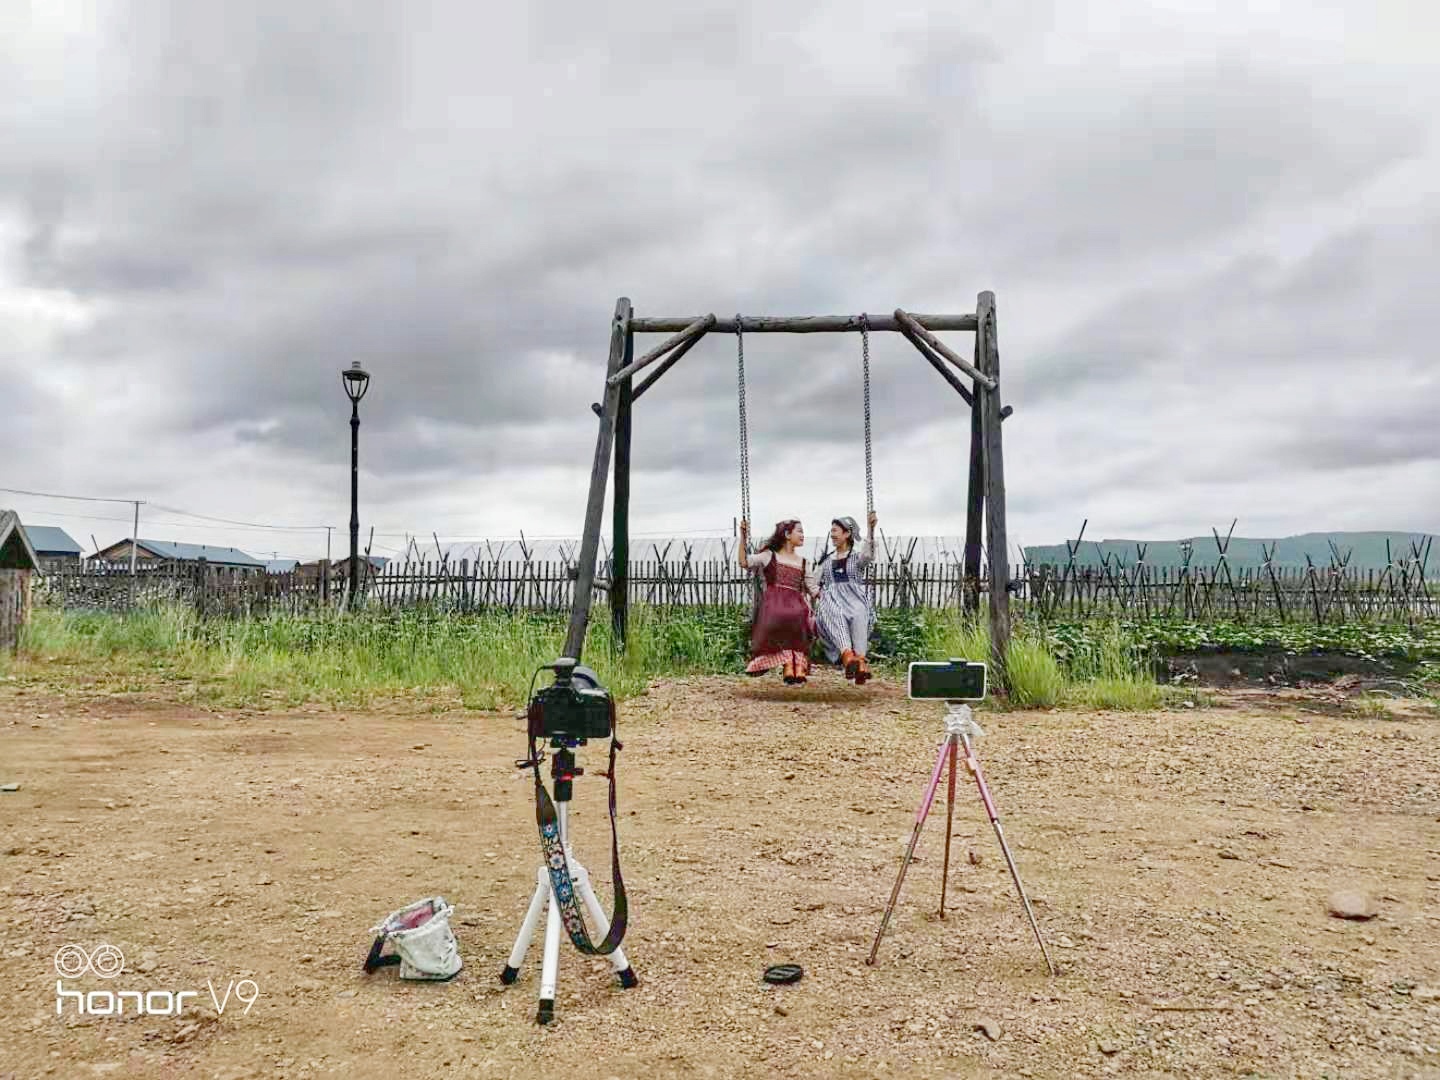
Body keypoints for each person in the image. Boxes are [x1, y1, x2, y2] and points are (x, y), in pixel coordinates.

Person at [737, 518, 819, 685]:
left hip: (794, 605)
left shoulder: (803, 562)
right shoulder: (769, 556)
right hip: (775, 605)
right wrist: (743, 537)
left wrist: (832, 598)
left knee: (798, 615)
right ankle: (791, 663)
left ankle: (794, 666)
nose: (803, 535)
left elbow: (813, 589)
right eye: (800, 531)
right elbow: (744, 562)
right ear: (787, 534)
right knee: (787, 615)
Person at [814, 511, 878, 684]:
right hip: (833, 601)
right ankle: (847, 656)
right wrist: (819, 593)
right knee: (835, 613)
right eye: (832, 531)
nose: (832, 534)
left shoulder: (857, 558)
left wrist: (871, 529)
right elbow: (813, 582)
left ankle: (860, 662)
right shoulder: (826, 561)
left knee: (859, 614)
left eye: (835, 530)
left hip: (854, 599)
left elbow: (869, 555)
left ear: (847, 534)